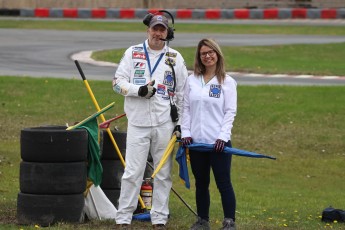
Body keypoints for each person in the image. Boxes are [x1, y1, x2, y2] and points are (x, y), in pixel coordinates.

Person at [112, 13, 188, 230]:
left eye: (162, 30)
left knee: (163, 173)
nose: (157, 33)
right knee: (132, 173)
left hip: (165, 124)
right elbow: (117, 84)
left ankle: (159, 218)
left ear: (168, 33)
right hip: (138, 123)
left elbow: (182, 94)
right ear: (148, 30)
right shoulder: (133, 52)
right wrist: (139, 91)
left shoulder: (175, 57)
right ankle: (123, 218)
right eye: (155, 29)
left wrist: (181, 123)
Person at [181, 38, 237, 230]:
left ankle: (229, 221)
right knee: (201, 183)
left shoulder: (227, 82)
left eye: (210, 52)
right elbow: (186, 108)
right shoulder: (191, 80)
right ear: (199, 57)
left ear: (217, 54)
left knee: (223, 182)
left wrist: (222, 137)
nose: (207, 56)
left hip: (219, 143)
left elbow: (230, 112)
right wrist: (186, 132)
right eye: (203, 53)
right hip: (197, 143)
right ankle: (202, 221)